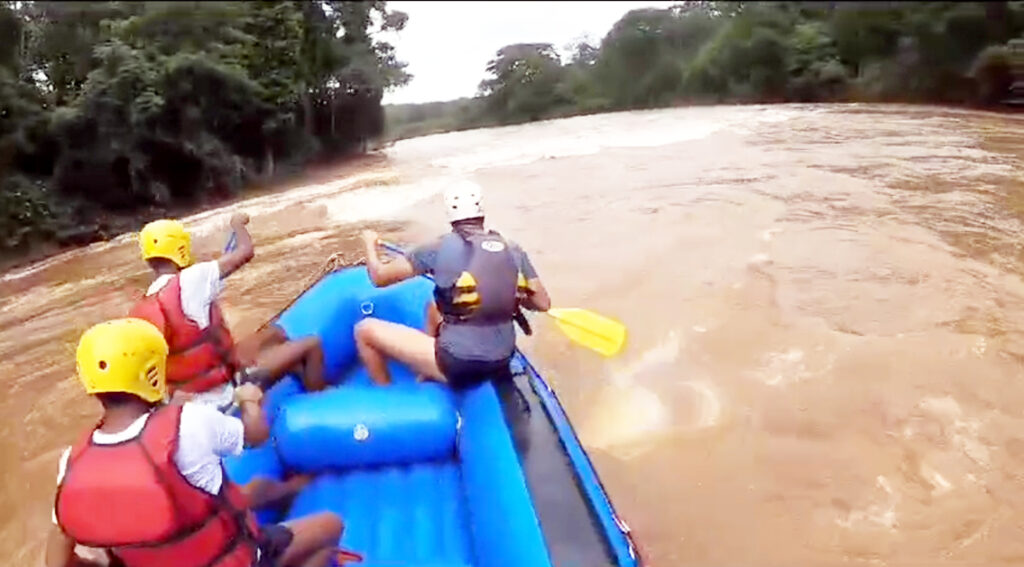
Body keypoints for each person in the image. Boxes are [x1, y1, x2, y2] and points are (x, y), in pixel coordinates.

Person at [45, 317, 344, 567]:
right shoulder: (189, 422)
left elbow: (58, 558)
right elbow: (256, 436)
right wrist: (250, 401)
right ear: (152, 373)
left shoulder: (72, 462)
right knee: (330, 528)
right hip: (231, 559)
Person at [355, 179, 551, 389]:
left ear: (450, 214)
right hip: (503, 356)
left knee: (364, 330)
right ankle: (426, 370)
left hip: (460, 364)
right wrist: (510, 295)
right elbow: (542, 303)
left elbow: (379, 277)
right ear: (481, 212)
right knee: (433, 307)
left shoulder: (435, 248)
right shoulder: (512, 249)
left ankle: (389, 399)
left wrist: (369, 244)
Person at [129, 214, 326, 412]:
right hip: (224, 396)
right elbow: (245, 252)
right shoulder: (192, 278)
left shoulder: (144, 305)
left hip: (189, 399)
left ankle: (293, 374)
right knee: (311, 344)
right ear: (181, 248)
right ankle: (319, 413)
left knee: (275, 333)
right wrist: (237, 225)